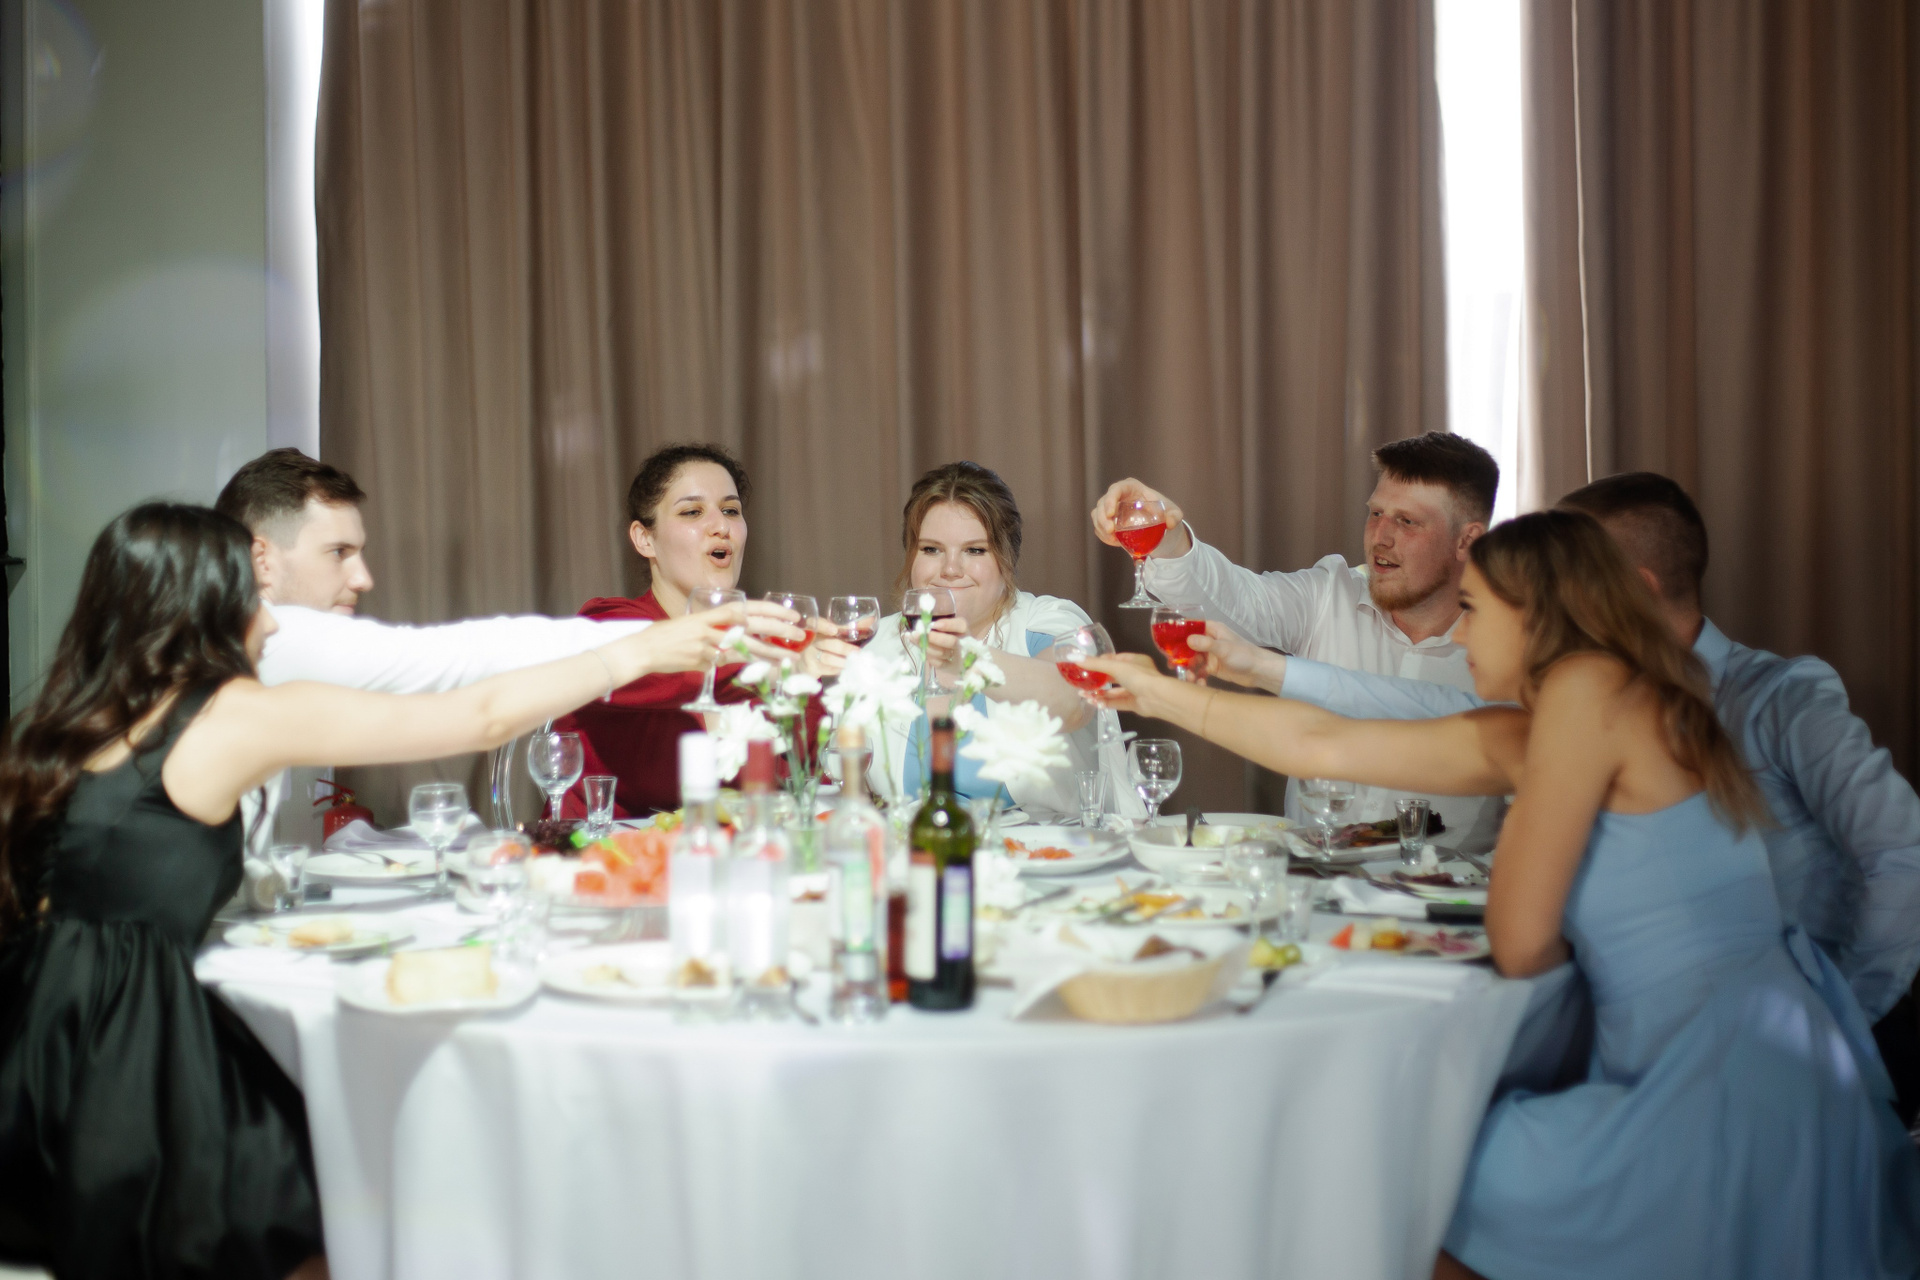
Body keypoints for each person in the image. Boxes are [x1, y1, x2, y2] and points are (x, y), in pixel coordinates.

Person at [1078, 509, 1920, 1278]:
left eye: (1475, 608)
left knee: (1409, 1169)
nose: (1461, 628)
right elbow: (1323, 743)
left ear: (1540, 613)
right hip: (1731, 1069)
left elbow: (1520, 941)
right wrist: (1155, 692)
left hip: (1717, 1092)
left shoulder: (1590, 691)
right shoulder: (1575, 711)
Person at [0, 503, 746, 1279]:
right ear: (205, 606)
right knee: (339, 1203)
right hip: (125, 1057)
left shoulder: (65, 724)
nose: (274, 625)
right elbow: (480, 715)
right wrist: (640, 650)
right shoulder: (233, 716)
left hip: (37, 1037)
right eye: (251, 601)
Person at [1202, 472, 1920, 1119]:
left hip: (1745, 1063)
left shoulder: (1767, 696)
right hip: (1636, 1037)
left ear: (1623, 589)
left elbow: (1900, 859)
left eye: (1566, 570)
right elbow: (1415, 713)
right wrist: (1260, 670)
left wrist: (1846, 1021)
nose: (1464, 628)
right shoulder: (1595, 698)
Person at [212, 448, 798, 837]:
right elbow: (476, 692)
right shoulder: (279, 642)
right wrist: (660, 645)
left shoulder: (250, 651)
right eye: (338, 553)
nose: (363, 578)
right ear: (262, 559)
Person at [1090, 431, 1504, 848]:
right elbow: (1234, 599)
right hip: (1309, 878)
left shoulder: (1508, 655)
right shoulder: (1330, 593)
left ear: (1466, 540)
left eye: (1407, 521)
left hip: (1449, 885)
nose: (1380, 535)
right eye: (1376, 513)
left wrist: (1255, 671)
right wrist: (1168, 538)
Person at [555, 444, 848, 818]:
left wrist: (803, 674)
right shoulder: (609, 624)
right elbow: (661, 669)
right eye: (692, 512)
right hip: (604, 850)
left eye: (731, 511)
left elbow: (803, 786)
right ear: (645, 538)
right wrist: (772, 666)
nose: (721, 526)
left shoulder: (768, 651)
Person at [867, 461, 1133, 819]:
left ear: (1007, 561)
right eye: (931, 549)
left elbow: (1073, 700)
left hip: (1047, 849)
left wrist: (966, 658)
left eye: (975, 550)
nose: (950, 569)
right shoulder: (879, 642)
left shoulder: (1049, 621)